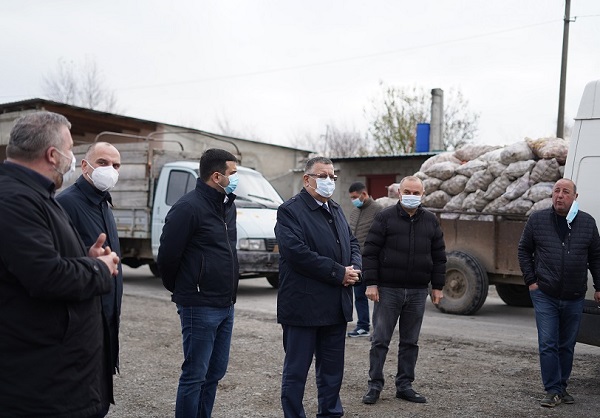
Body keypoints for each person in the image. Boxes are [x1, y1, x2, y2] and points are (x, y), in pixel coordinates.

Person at [0, 111, 120, 417]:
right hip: (43, 382)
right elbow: (46, 275)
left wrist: (85, 257)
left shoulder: (36, 196)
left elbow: (42, 257)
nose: (71, 158)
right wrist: (99, 269)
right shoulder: (15, 200)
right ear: (52, 155)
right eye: (69, 150)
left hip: (58, 373)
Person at [275, 156, 362, 418]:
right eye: (322, 176)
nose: (328, 181)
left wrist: (354, 269)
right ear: (307, 179)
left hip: (335, 307)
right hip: (303, 308)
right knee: (296, 371)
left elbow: (353, 242)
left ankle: (330, 413)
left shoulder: (334, 209)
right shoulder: (290, 211)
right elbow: (297, 254)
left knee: (332, 372)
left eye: (332, 177)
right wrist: (339, 273)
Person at [157, 148, 240, 418]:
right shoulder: (188, 207)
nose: (236, 179)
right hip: (199, 305)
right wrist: (186, 290)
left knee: (215, 373)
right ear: (217, 176)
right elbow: (168, 257)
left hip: (226, 303)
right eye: (233, 174)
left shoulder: (228, 206)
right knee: (195, 374)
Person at [361, 175, 446, 405]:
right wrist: (371, 283)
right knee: (380, 340)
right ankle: (374, 386)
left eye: (415, 193)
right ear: (399, 193)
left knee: (410, 342)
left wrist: (437, 286)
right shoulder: (384, 218)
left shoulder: (430, 221)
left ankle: (405, 385)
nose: (411, 196)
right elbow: (370, 252)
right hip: (388, 290)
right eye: (407, 191)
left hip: (418, 292)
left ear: (422, 195)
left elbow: (439, 256)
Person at [518, 178, 600, 408]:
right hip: (545, 293)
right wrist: (531, 280)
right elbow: (524, 249)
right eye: (556, 191)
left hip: (574, 295)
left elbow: (596, 256)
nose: (560, 195)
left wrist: (599, 287)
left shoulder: (586, 222)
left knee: (567, 344)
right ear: (551, 195)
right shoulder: (538, 220)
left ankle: (561, 387)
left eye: (565, 192)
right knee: (548, 342)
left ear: (575, 197)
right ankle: (552, 389)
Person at [57, 142, 123, 382]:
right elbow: (59, 264)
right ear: (85, 166)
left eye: (116, 165)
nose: (110, 170)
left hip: (107, 317)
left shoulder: (104, 203)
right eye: (103, 163)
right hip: (83, 321)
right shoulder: (66, 204)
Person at [347, 181, 383, 338]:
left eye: (355, 197)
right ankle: (363, 326)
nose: (353, 200)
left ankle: (380, 330)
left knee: (377, 297)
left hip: (374, 262)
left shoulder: (378, 210)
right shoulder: (354, 212)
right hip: (357, 262)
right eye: (351, 198)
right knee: (359, 295)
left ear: (364, 194)